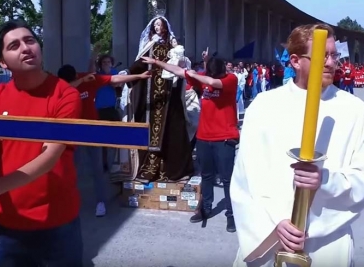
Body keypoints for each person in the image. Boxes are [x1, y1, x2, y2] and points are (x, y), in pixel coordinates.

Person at [230, 24, 364, 267]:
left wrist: (326, 180)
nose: (331, 63)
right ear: (295, 61)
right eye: (323, 55)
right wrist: (273, 222)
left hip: (327, 246)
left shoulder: (354, 110)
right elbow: (245, 178)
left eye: (334, 55)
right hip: (270, 239)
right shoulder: (264, 106)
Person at [0, 20, 83, 267]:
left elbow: (50, 156)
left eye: (30, 41)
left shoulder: (64, 94)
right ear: (2, 62)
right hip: (8, 225)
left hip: (57, 225)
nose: (26, 48)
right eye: (14, 45)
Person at [142, 52, 239, 232]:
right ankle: (205, 209)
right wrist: (156, 62)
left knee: (227, 179)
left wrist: (195, 74)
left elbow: (213, 83)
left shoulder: (230, 79)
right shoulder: (203, 77)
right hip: (204, 137)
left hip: (225, 138)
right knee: (207, 176)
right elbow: (178, 71)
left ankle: (231, 215)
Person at [57, 64, 150, 217]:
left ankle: (100, 202)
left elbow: (115, 78)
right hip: (71, 131)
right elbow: (64, 89)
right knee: (70, 168)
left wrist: (139, 76)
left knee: (97, 169)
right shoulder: (64, 85)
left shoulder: (88, 78)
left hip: (92, 130)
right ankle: (67, 202)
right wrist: (80, 82)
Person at [112, 15, 192, 183]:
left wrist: (181, 58)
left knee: (171, 129)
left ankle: (170, 168)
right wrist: (128, 73)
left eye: (159, 24)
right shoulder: (150, 45)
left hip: (170, 93)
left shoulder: (172, 44)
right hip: (151, 93)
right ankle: (150, 167)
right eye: (155, 24)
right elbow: (139, 63)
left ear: (165, 27)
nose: (157, 27)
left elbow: (182, 63)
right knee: (150, 130)